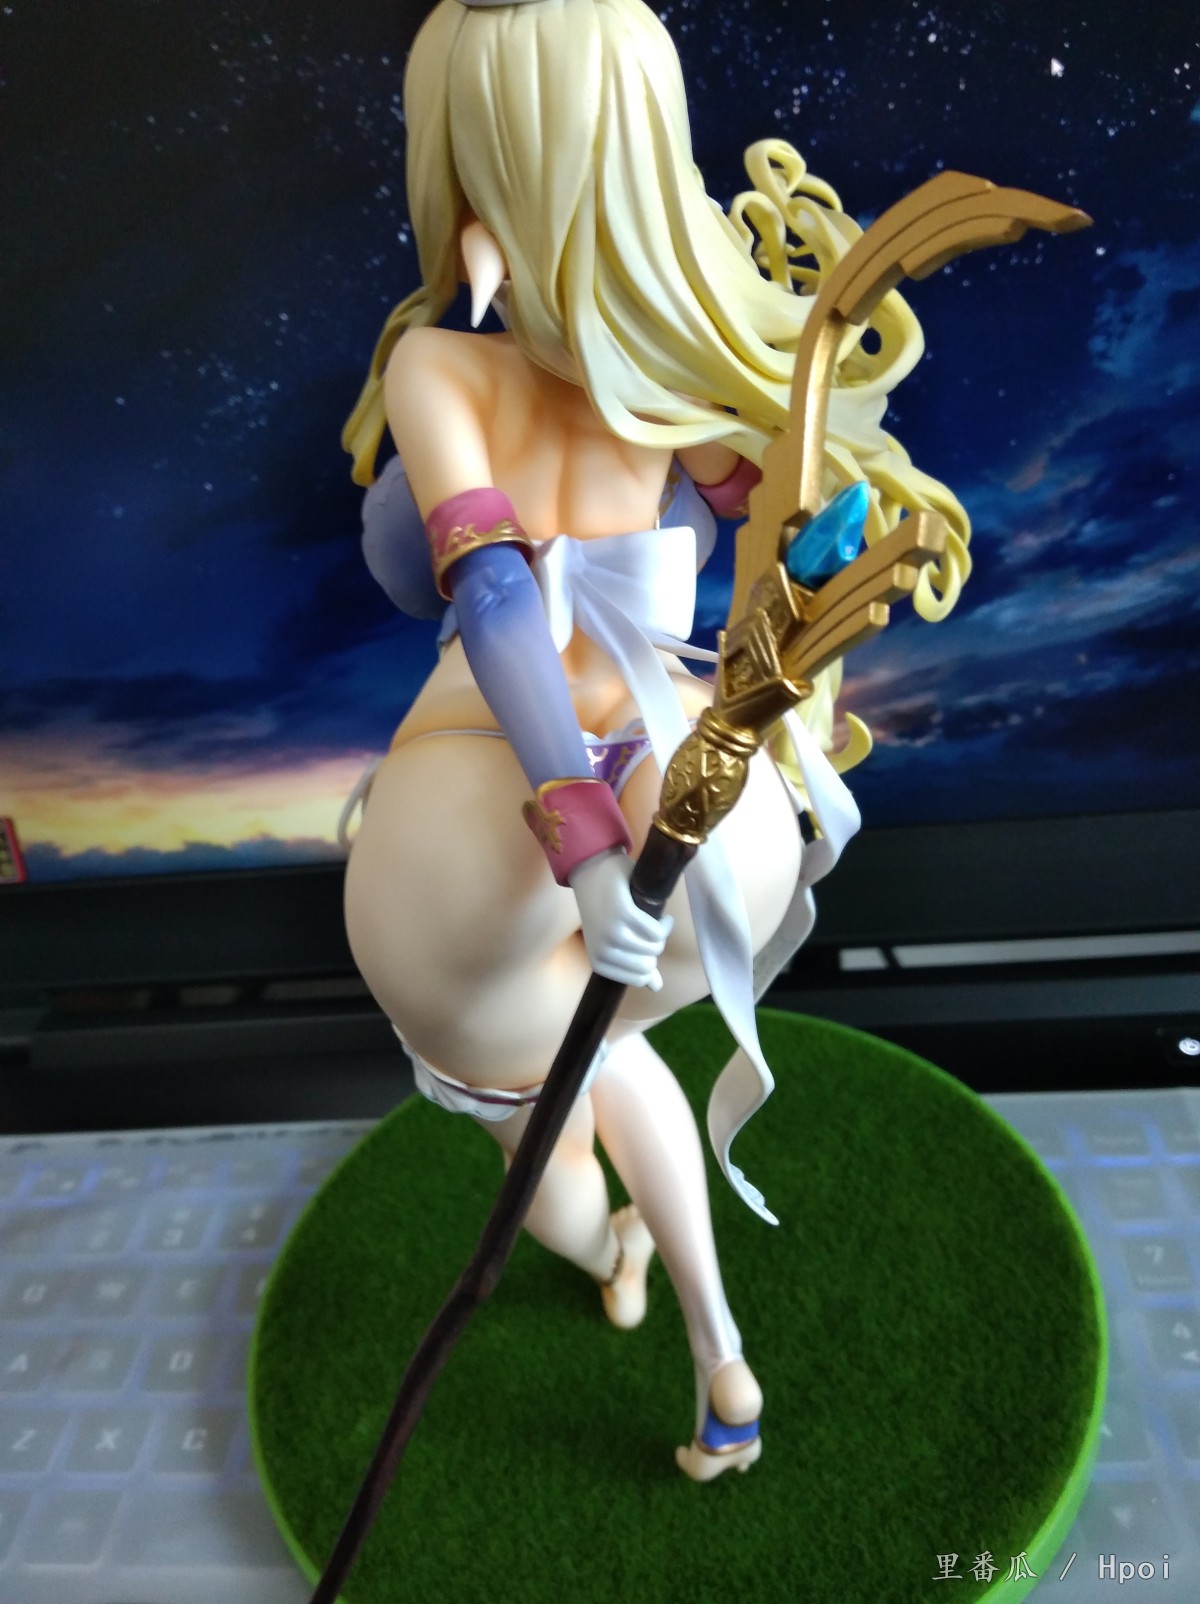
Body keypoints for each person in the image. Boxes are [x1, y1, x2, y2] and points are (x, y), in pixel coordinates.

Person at [340, 0, 970, 1480]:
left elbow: (494, 594)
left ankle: (616, 1249)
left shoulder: (440, 369)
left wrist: (573, 838)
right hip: (687, 775)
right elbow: (777, 526)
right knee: (615, 1054)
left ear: (471, 184)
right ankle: (716, 1346)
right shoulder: (687, 381)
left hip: (477, 803)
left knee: (544, 1153)